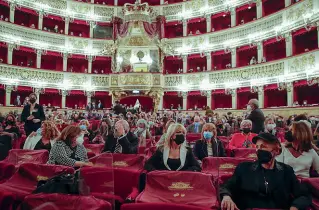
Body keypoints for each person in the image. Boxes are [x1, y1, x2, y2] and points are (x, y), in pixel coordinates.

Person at [220, 132, 312, 210]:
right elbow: (226, 186)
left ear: (276, 150)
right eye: (257, 147)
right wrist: (226, 196)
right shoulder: (244, 168)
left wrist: (294, 207)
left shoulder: (286, 171)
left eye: (263, 147)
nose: (258, 150)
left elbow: (303, 195)